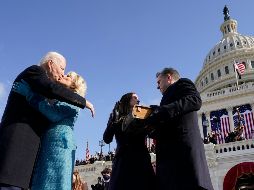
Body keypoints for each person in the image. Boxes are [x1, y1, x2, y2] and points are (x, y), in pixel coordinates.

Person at [0, 52, 94, 190]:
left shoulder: (66, 98)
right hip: (17, 150)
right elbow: (50, 89)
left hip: (53, 146)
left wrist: (30, 95)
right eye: (62, 69)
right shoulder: (35, 71)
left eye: (66, 74)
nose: (63, 74)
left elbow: (52, 111)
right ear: (50, 64)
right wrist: (85, 102)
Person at [146, 67, 214, 190]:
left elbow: (195, 100)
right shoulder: (164, 99)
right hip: (169, 157)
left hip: (183, 150)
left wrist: (161, 111)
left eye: (159, 82)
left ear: (169, 77)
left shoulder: (183, 83)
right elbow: (168, 123)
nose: (157, 86)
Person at [103, 92, 156, 190]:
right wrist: (113, 122)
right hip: (122, 161)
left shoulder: (142, 115)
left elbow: (152, 133)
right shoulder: (115, 116)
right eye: (135, 98)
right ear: (127, 100)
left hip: (141, 159)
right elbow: (107, 139)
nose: (138, 100)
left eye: (138, 98)